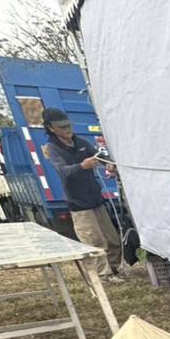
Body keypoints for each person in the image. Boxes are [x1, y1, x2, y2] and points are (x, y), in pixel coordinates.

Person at [40, 108, 124, 281]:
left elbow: (102, 157)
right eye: (62, 127)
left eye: (68, 125)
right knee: (95, 241)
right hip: (79, 204)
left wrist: (108, 164)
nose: (67, 129)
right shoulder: (53, 148)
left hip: (96, 199)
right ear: (51, 128)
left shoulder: (81, 142)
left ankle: (116, 269)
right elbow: (62, 171)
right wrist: (82, 166)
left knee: (112, 238)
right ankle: (103, 275)